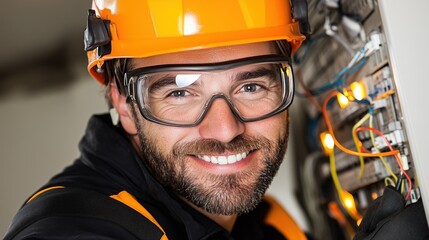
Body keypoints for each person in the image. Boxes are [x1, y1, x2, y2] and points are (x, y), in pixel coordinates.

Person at [4, 0, 311, 239]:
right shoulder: (73, 229)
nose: (225, 130)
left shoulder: (269, 224)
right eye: (180, 93)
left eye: (250, 87)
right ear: (122, 102)